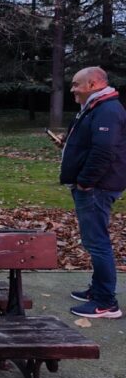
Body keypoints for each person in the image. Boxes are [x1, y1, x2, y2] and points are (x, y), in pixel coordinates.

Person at [60, 66, 126, 319]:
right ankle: (97, 290)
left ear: (94, 84)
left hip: (98, 187)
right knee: (94, 241)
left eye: (77, 84)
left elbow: (104, 152)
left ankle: (106, 303)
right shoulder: (96, 107)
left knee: (97, 243)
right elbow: (93, 145)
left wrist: (86, 182)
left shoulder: (107, 110)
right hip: (95, 185)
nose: (73, 89)